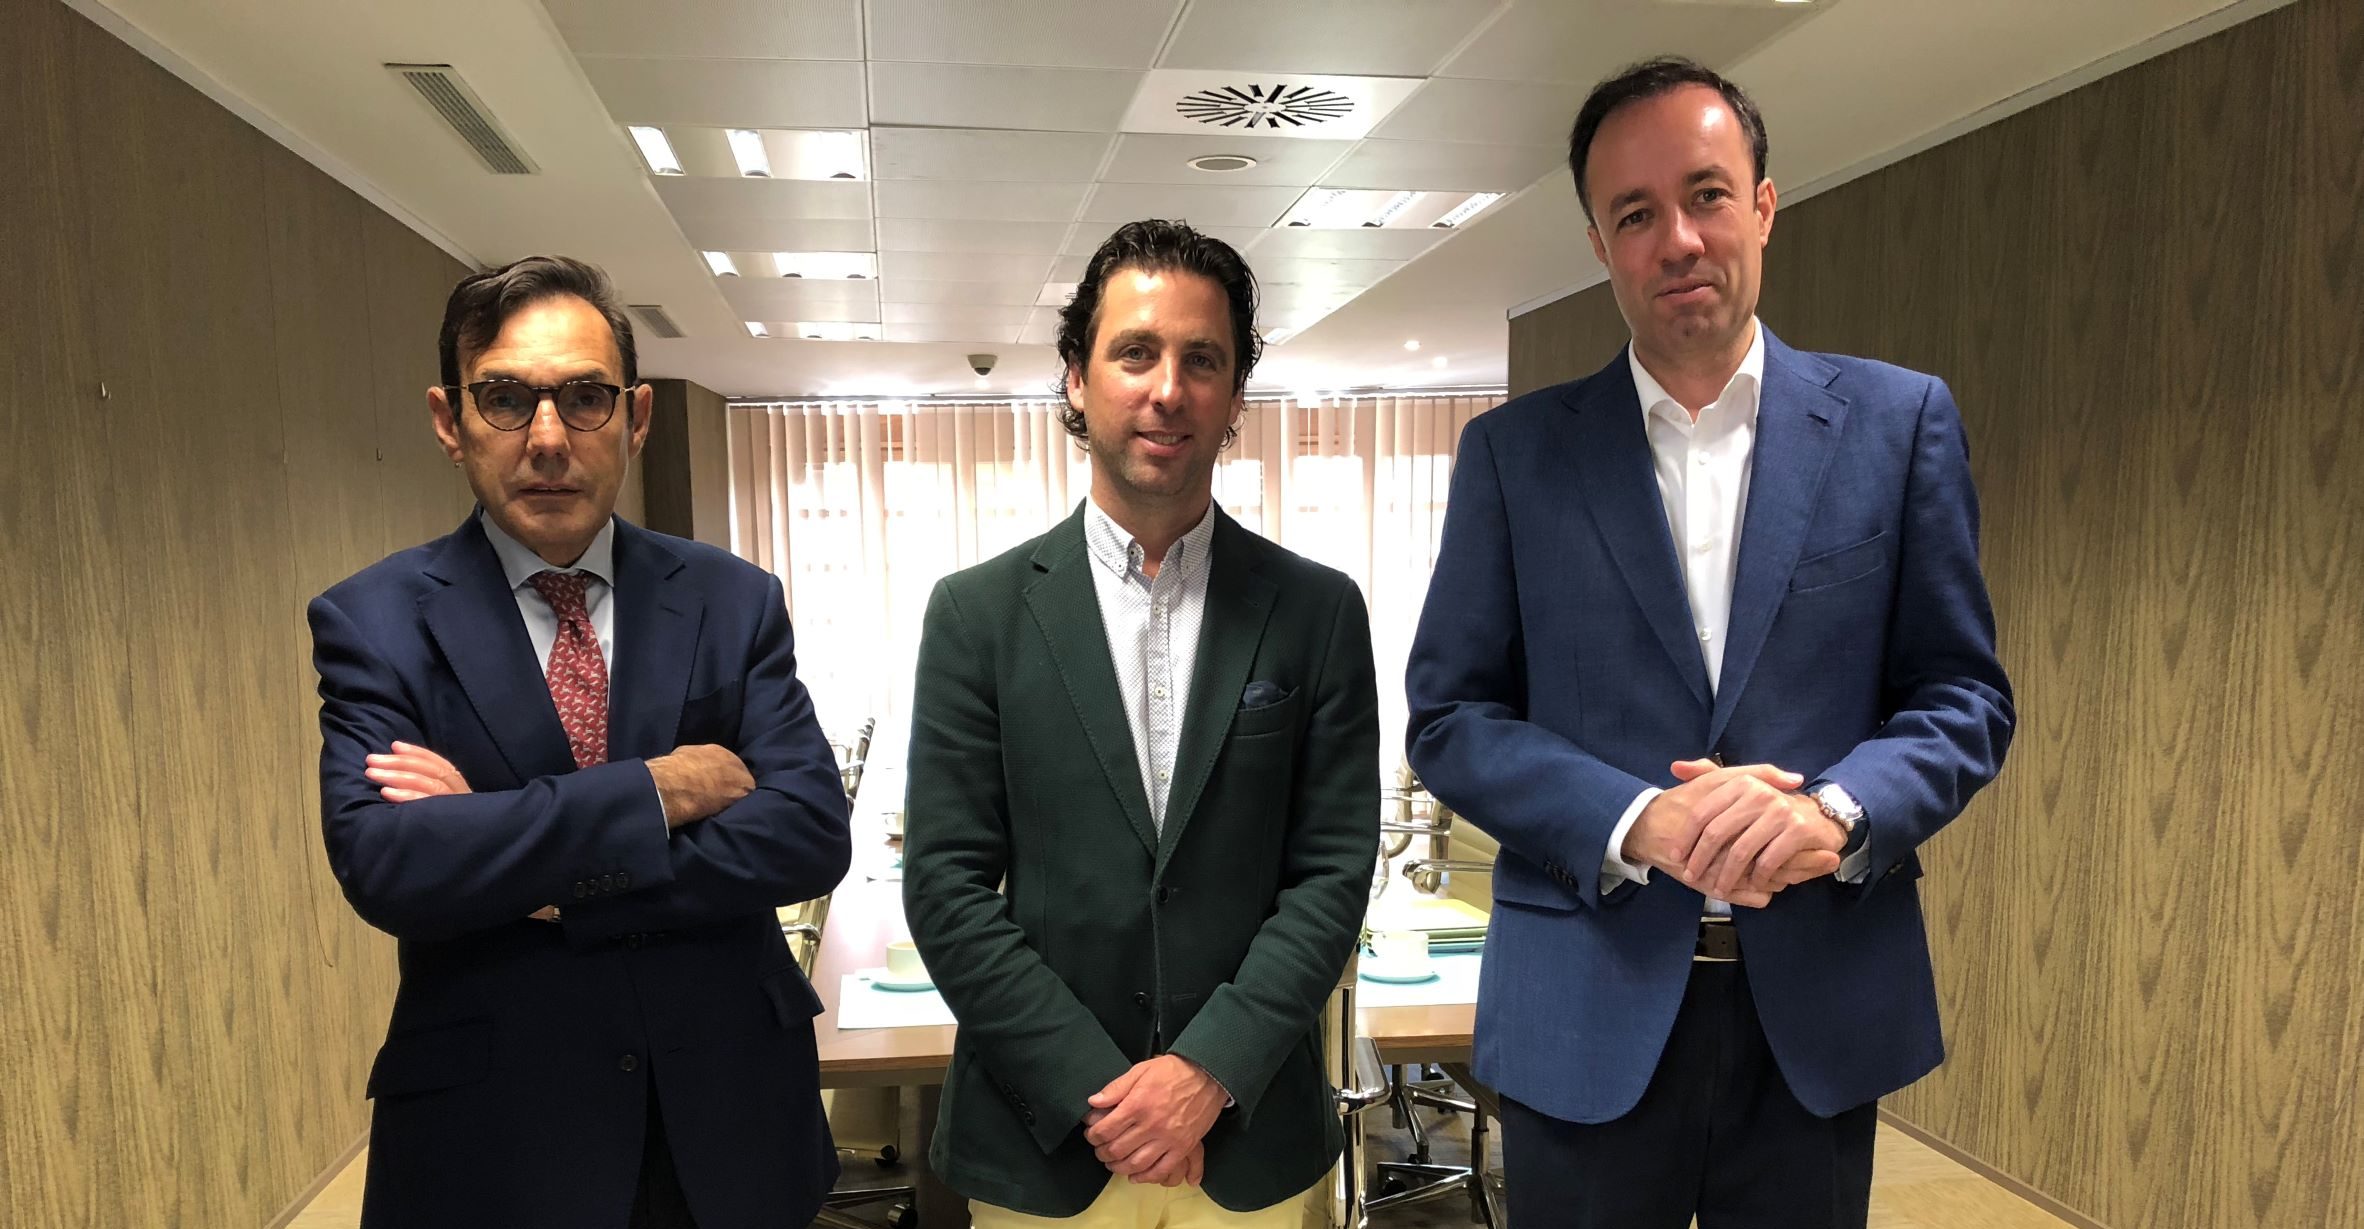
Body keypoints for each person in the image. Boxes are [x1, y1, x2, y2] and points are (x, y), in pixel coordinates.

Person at [1404, 58, 2015, 1228]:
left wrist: (1834, 811)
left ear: (1765, 205)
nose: (1678, 239)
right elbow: (1451, 719)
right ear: (1601, 244)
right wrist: (1635, 817)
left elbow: (1962, 697)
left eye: (1707, 195)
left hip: (1814, 1014)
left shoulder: (1898, 427)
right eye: (1636, 214)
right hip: (1583, 1006)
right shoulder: (1515, 457)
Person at [308, 255, 851, 1229]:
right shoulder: (375, 620)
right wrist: (656, 792)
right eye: (506, 398)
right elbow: (389, 861)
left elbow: (807, 832)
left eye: (585, 397)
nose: (549, 437)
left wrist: (531, 867)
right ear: (449, 421)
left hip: (729, 1124)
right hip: (497, 1141)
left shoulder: (731, 599)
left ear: (635, 417)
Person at [901, 219, 1379, 1229]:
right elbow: (946, 886)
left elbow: (1333, 871)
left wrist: (1207, 1070)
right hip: (1044, 1143)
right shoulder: (976, 615)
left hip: (1245, 1140)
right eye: (1135, 352)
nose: (1168, 388)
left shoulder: (1317, 611)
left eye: (1202, 359)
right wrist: (1105, 1096)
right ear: (1076, 379)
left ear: (1236, 394)